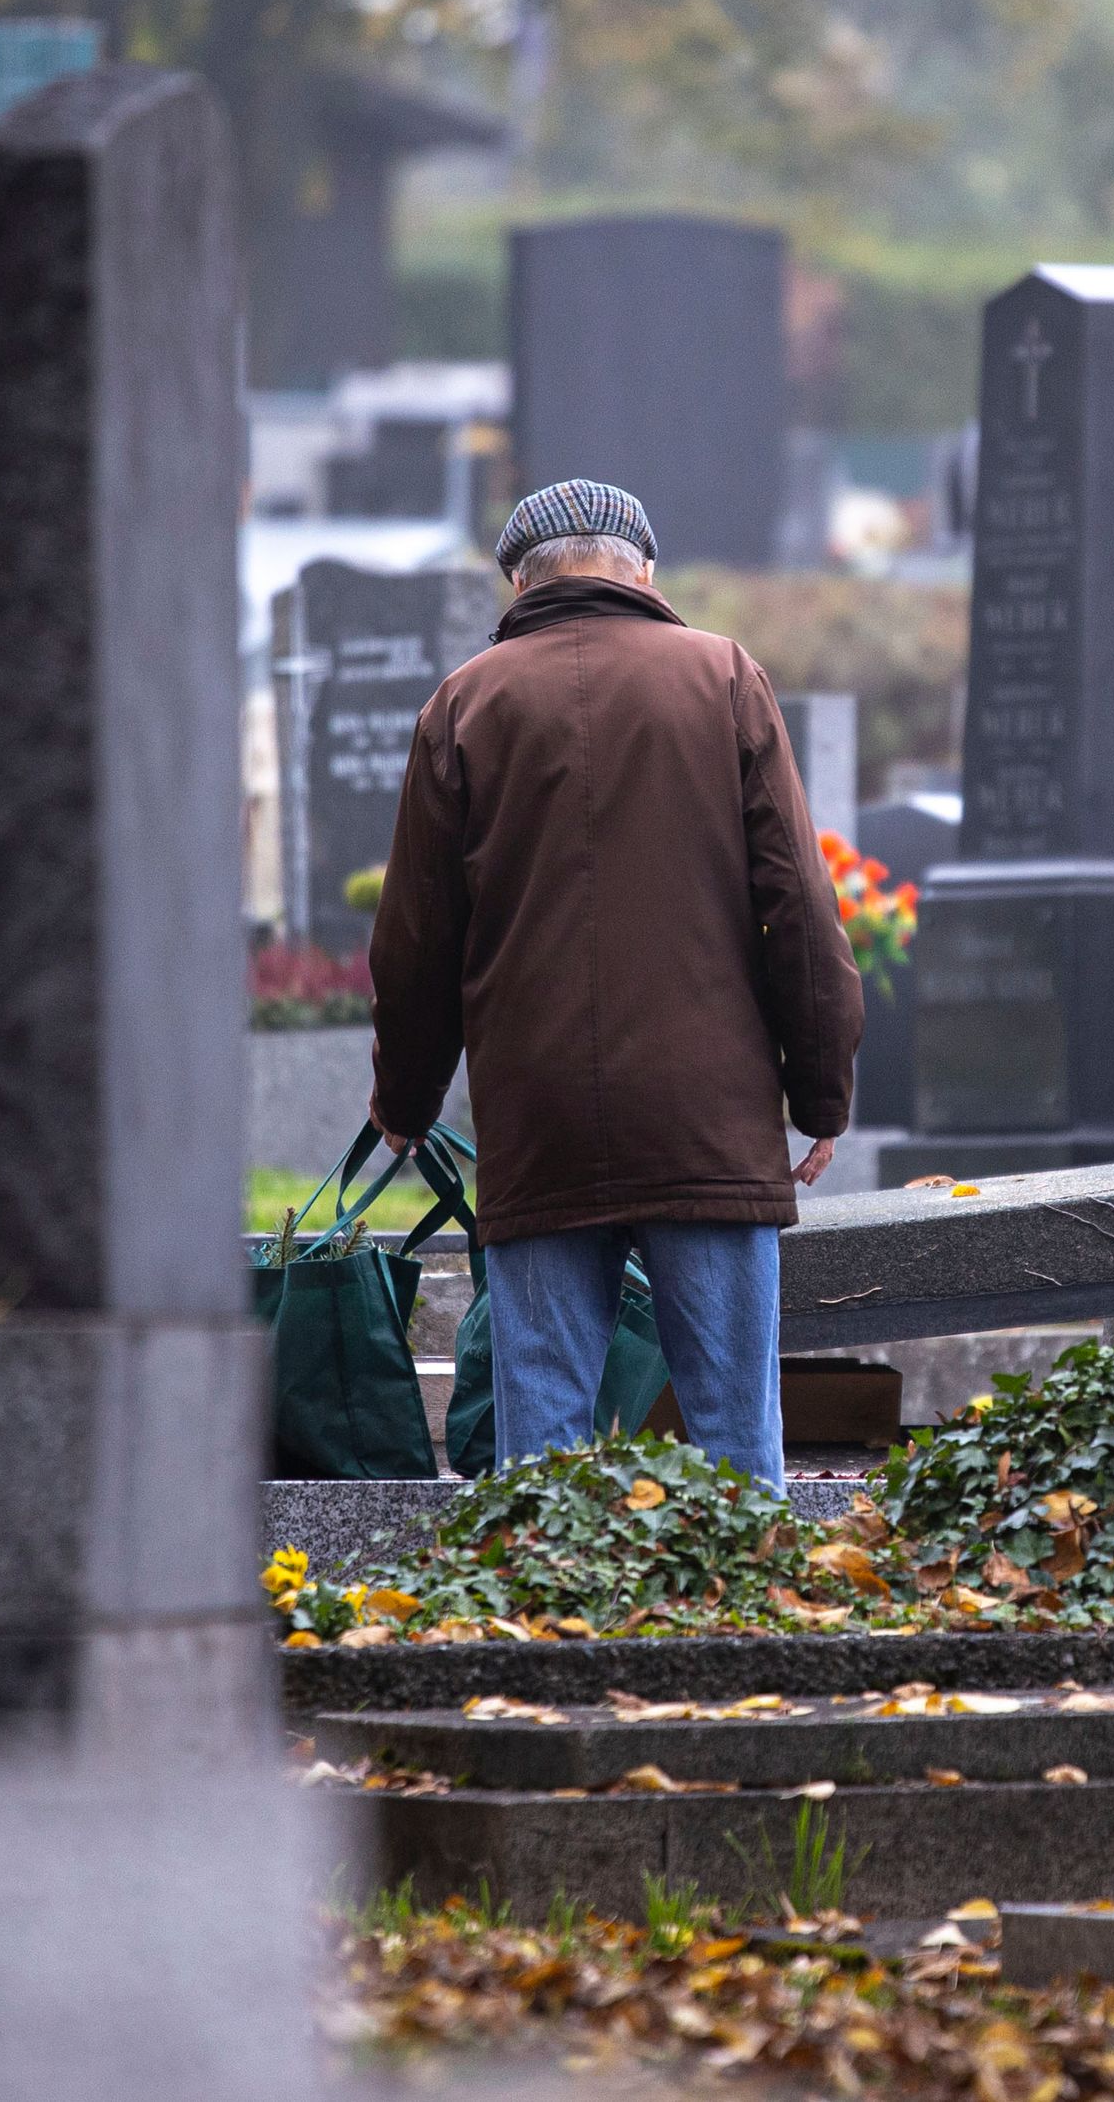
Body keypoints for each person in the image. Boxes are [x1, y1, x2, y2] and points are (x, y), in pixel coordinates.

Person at [365, 478, 865, 1490]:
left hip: (538, 1115)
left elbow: (415, 940)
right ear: (643, 571)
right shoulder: (723, 679)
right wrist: (820, 1093)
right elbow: (800, 910)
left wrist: (405, 1102)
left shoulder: (460, 706)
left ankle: (548, 1635)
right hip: (707, 1116)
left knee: (540, 1459)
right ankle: (740, 1636)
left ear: (517, 580)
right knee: (734, 1450)